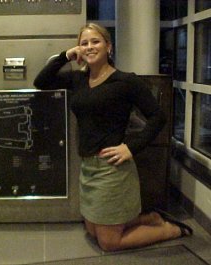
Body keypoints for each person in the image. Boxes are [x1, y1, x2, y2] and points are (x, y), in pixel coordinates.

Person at [34, 23, 193, 252]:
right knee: (92, 230)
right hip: (88, 167)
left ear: (109, 46)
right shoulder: (78, 79)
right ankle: (150, 219)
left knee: (109, 242)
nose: (89, 47)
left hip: (112, 168)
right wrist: (65, 55)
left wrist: (131, 148)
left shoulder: (126, 81)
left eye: (95, 41)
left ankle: (171, 230)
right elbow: (41, 82)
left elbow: (158, 117)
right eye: (84, 43)